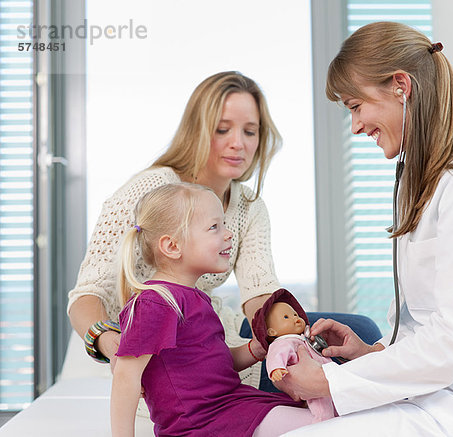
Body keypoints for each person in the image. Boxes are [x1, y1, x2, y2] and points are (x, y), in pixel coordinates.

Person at [275, 21, 453, 437]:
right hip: (442, 393)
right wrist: (369, 352)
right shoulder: (427, 177)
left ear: (400, 86)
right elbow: (426, 324)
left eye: (355, 106)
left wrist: (331, 381)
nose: (354, 126)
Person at [67, 71, 381, 391]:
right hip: (160, 348)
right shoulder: (149, 191)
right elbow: (87, 296)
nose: (238, 144)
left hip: (214, 331)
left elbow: (259, 295)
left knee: (361, 334)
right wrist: (114, 348)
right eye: (222, 129)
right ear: (197, 131)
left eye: (250, 131)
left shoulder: (249, 205)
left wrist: (291, 340)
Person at [111, 183, 315, 437]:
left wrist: (254, 349)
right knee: (324, 425)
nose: (228, 234)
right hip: (203, 423)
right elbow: (125, 377)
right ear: (172, 246)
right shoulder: (156, 302)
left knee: (324, 416)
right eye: (214, 227)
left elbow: (213, 366)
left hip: (229, 407)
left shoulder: (193, 298)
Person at [251, 288, 335, 423]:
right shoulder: (284, 342)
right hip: (310, 381)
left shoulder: (304, 338)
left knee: (338, 403)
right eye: (286, 317)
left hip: (329, 376)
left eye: (295, 314)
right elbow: (276, 356)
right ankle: (323, 425)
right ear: (271, 331)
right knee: (322, 408)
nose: (295, 318)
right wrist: (276, 369)